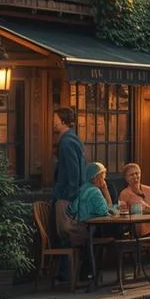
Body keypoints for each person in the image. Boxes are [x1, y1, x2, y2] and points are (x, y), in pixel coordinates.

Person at [61, 161, 112, 283]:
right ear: (96, 177)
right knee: (110, 235)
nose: (104, 180)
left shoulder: (82, 189)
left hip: (78, 228)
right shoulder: (95, 191)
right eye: (103, 177)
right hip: (88, 231)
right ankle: (93, 273)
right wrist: (105, 190)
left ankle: (88, 273)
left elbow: (72, 209)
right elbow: (104, 211)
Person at [51, 106, 86, 249]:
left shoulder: (67, 142)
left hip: (66, 197)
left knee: (66, 235)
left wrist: (69, 197)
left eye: (55, 119)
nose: (53, 122)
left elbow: (74, 172)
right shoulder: (73, 139)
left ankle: (68, 263)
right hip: (72, 196)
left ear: (63, 121)